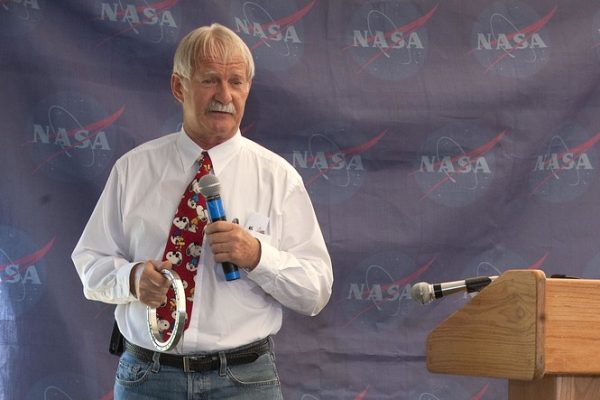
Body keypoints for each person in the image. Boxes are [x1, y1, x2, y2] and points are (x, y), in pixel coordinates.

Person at [72, 23, 333, 399]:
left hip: (244, 382)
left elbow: (316, 292)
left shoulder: (278, 178)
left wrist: (258, 256)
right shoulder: (133, 170)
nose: (224, 95)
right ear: (179, 87)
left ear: (248, 89)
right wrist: (131, 280)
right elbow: (89, 265)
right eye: (210, 80)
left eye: (236, 82)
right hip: (148, 378)